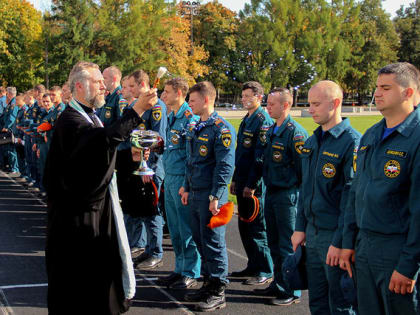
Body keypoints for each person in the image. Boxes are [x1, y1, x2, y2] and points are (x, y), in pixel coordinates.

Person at [43, 61, 157, 314]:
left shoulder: (89, 116)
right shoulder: (71, 120)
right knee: (81, 287)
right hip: (76, 219)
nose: (104, 87)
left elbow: (98, 156)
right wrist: (136, 110)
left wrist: (132, 157)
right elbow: (101, 143)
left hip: (92, 210)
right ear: (81, 87)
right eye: (98, 82)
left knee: (100, 279)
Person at [340, 62, 420, 315]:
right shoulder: (371, 135)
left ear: (408, 93)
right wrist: (348, 242)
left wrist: (409, 265)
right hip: (365, 247)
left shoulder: (416, 137)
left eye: (386, 87)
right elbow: (356, 192)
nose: (377, 93)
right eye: (377, 87)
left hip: (397, 249)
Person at [291, 80, 360, 314]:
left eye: (316, 104)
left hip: (334, 235)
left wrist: (340, 242)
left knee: (340, 304)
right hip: (312, 233)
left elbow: (351, 201)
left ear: (336, 103)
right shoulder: (312, 141)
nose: (310, 109)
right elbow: (305, 189)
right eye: (310, 103)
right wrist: (300, 227)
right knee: (318, 301)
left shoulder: (352, 142)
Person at [180, 81, 236, 312]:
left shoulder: (222, 129)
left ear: (206, 100)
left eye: (192, 100)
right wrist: (185, 186)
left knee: (213, 243)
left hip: (211, 196)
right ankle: (208, 282)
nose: (189, 104)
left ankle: (218, 291)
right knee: (201, 240)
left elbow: (225, 166)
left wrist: (216, 195)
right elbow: (191, 161)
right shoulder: (196, 126)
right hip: (194, 193)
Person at [252, 87, 308, 306]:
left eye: (272, 104)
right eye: (267, 103)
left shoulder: (296, 134)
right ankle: (278, 282)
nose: (268, 107)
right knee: (273, 242)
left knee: (286, 244)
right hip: (271, 193)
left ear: (285, 105)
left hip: (287, 196)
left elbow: (303, 172)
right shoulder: (272, 130)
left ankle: (290, 290)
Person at [156, 77, 201, 289]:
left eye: (167, 92)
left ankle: (191, 271)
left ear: (179, 94)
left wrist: (186, 184)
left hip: (183, 180)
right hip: (170, 177)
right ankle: (179, 268)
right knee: (174, 228)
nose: (163, 96)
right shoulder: (172, 116)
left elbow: (192, 157)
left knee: (186, 228)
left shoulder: (189, 118)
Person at [229, 81, 274, 286]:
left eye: (249, 96)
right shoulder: (247, 119)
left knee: (257, 227)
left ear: (259, 97)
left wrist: (252, 184)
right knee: (245, 226)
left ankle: (265, 268)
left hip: (254, 185)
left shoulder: (262, 120)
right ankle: (253, 265)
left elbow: (260, 157)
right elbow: (241, 154)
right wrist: (236, 179)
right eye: (243, 96)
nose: (244, 99)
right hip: (243, 181)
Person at [125, 69, 167, 270]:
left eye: (132, 86)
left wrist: (149, 168)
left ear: (143, 85)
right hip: (137, 165)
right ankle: (147, 249)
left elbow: (158, 140)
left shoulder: (156, 106)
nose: (129, 89)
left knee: (152, 211)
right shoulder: (137, 104)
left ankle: (156, 252)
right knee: (141, 209)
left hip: (151, 168)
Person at [1, 87, 18, 175]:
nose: (6, 95)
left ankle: (15, 168)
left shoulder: (14, 103)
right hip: (7, 129)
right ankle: (12, 167)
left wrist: (6, 127)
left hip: (11, 130)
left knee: (12, 150)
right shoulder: (10, 103)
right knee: (8, 149)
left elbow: (12, 116)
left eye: (7, 94)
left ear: (10, 94)